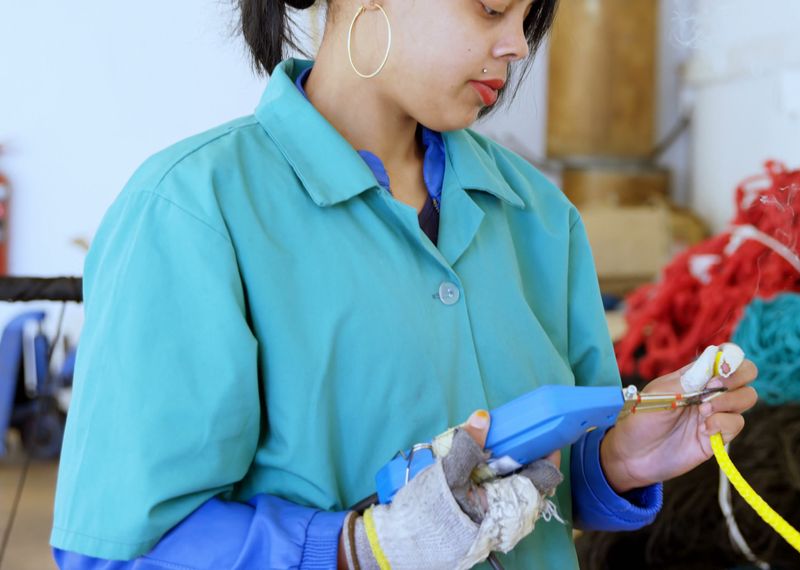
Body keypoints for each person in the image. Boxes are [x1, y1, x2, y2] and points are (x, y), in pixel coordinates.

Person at [50, 0, 759, 568]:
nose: (516, 46)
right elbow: (116, 551)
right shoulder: (192, 212)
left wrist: (613, 460)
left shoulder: (538, 216)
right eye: (490, 10)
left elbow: (532, 491)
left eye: (527, 17)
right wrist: (358, 550)